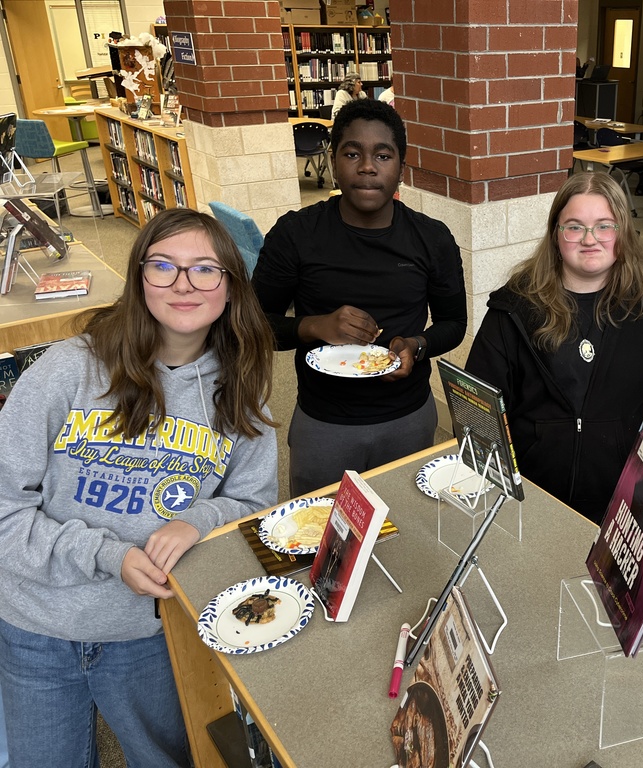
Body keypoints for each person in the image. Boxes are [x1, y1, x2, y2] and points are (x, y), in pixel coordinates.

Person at [0, 208, 279, 767]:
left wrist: (197, 519)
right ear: (139, 277)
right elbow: (6, 507)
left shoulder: (239, 392)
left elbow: (255, 506)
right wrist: (107, 554)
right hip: (36, 626)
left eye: (205, 269)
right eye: (163, 266)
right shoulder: (67, 370)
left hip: (153, 635)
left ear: (230, 287)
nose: (183, 284)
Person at [254, 98, 467, 496]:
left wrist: (417, 345)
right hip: (324, 423)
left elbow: (454, 324)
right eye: (352, 153)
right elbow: (251, 326)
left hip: (409, 416)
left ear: (401, 166)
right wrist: (314, 326)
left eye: (382, 155)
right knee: (320, 539)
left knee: (408, 535)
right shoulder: (296, 234)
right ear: (333, 161)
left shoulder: (432, 238)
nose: (367, 166)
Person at [465, 172, 643, 524]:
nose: (590, 240)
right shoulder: (516, 308)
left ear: (622, 232)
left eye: (605, 226)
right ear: (556, 235)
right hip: (532, 490)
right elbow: (477, 402)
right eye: (574, 227)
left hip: (619, 494)